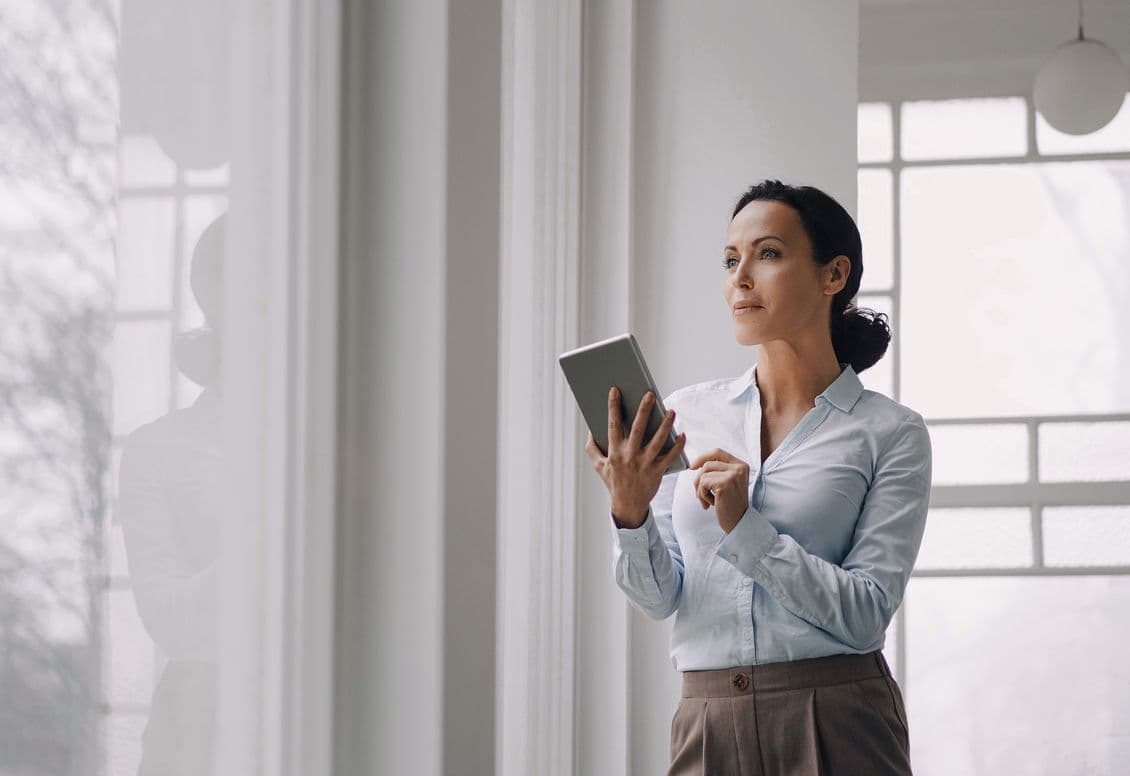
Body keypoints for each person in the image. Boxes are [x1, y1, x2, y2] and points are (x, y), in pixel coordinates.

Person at [585, 179, 931, 775]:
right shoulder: (686, 415)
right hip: (707, 721)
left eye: (768, 253)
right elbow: (657, 598)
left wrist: (746, 528)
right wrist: (630, 514)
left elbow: (866, 614)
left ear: (834, 275)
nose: (740, 277)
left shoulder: (890, 433)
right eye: (729, 260)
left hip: (841, 719)